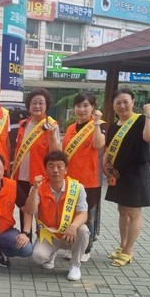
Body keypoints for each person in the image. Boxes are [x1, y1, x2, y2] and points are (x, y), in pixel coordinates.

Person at [103, 88, 150, 267]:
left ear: (133, 102)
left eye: (126, 101)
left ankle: (129, 250)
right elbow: (109, 148)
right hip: (119, 174)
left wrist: (149, 114)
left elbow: (149, 137)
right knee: (122, 211)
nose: (122, 105)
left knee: (133, 213)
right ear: (113, 106)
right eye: (118, 102)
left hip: (136, 173)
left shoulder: (141, 120)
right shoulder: (113, 125)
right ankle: (122, 245)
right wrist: (105, 163)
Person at [25, 151, 89, 281]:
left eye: (59, 166)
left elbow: (83, 213)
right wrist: (34, 190)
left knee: (83, 230)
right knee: (37, 257)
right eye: (51, 166)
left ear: (66, 169)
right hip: (49, 235)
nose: (55, 170)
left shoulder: (77, 187)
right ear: (45, 169)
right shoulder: (39, 187)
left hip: (69, 233)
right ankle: (51, 254)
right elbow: (30, 210)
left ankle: (75, 265)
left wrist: (73, 225)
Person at [61, 92, 105, 263]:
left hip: (90, 178)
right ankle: (73, 246)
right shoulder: (71, 128)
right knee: (71, 212)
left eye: (86, 105)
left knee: (89, 214)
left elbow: (98, 144)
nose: (81, 109)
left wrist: (95, 123)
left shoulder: (100, 125)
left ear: (93, 107)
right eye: (78, 106)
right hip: (71, 178)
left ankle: (87, 247)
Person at [11, 87, 61, 229]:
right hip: (21, 177)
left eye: (41, 103)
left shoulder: (52, 125)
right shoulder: (23, 124)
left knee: (42, 212)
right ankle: (26, 238)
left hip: (40, 177)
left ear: (46, 106)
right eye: (34, 103)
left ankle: (43, 242)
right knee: (24, 210)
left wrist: (51, 136)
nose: (37, 106)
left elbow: (56, 155)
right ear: (29, 105)